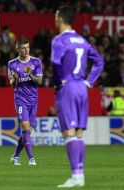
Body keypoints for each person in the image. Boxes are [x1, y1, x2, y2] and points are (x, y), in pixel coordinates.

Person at [51, 6, 105, 188]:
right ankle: (80, 174)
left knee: (69, 132)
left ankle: (75, 176)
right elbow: (99, 62)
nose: (54, 18)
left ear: (60, 19)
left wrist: (60, 80)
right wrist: (89, 82)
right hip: (82, 87)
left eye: (56, 16)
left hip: (68, 87)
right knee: (79, 133)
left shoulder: (59, 40)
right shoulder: (82, 40)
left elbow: (55, 62)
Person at [7, 38, 43, 166]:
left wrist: (31, 74)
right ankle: (31, 159)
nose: (26, 50)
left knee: (27, 133)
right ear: (18, 49)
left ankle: (15, 156)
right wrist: (15, 79)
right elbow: (12, 84)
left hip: (33, 100)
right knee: (26, 128)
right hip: (20, 100)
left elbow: (39, 81)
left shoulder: (36, 62)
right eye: (23, 48)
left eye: (27, 47)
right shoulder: (11, 64)